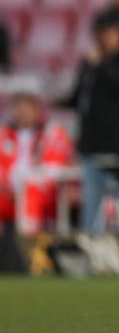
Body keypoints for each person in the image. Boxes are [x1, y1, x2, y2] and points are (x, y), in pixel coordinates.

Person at [60, 17, 119, 249]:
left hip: (117, 143)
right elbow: (79, 97)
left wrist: (101, 65)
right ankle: (90, 246)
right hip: (92, 143)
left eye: (108, 33)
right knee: (92, 198)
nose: (103, 38)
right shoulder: (90, 62)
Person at [0, 92, 73, 236]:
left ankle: (30, 248)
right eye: (18, 109)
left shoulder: (51, 133)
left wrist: (28, 181)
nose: (22, 113)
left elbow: (55, 167)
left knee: (31, 193)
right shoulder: (5, 135)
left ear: (36, 110)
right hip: (8, 191)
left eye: (26, 108)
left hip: (41, 191)